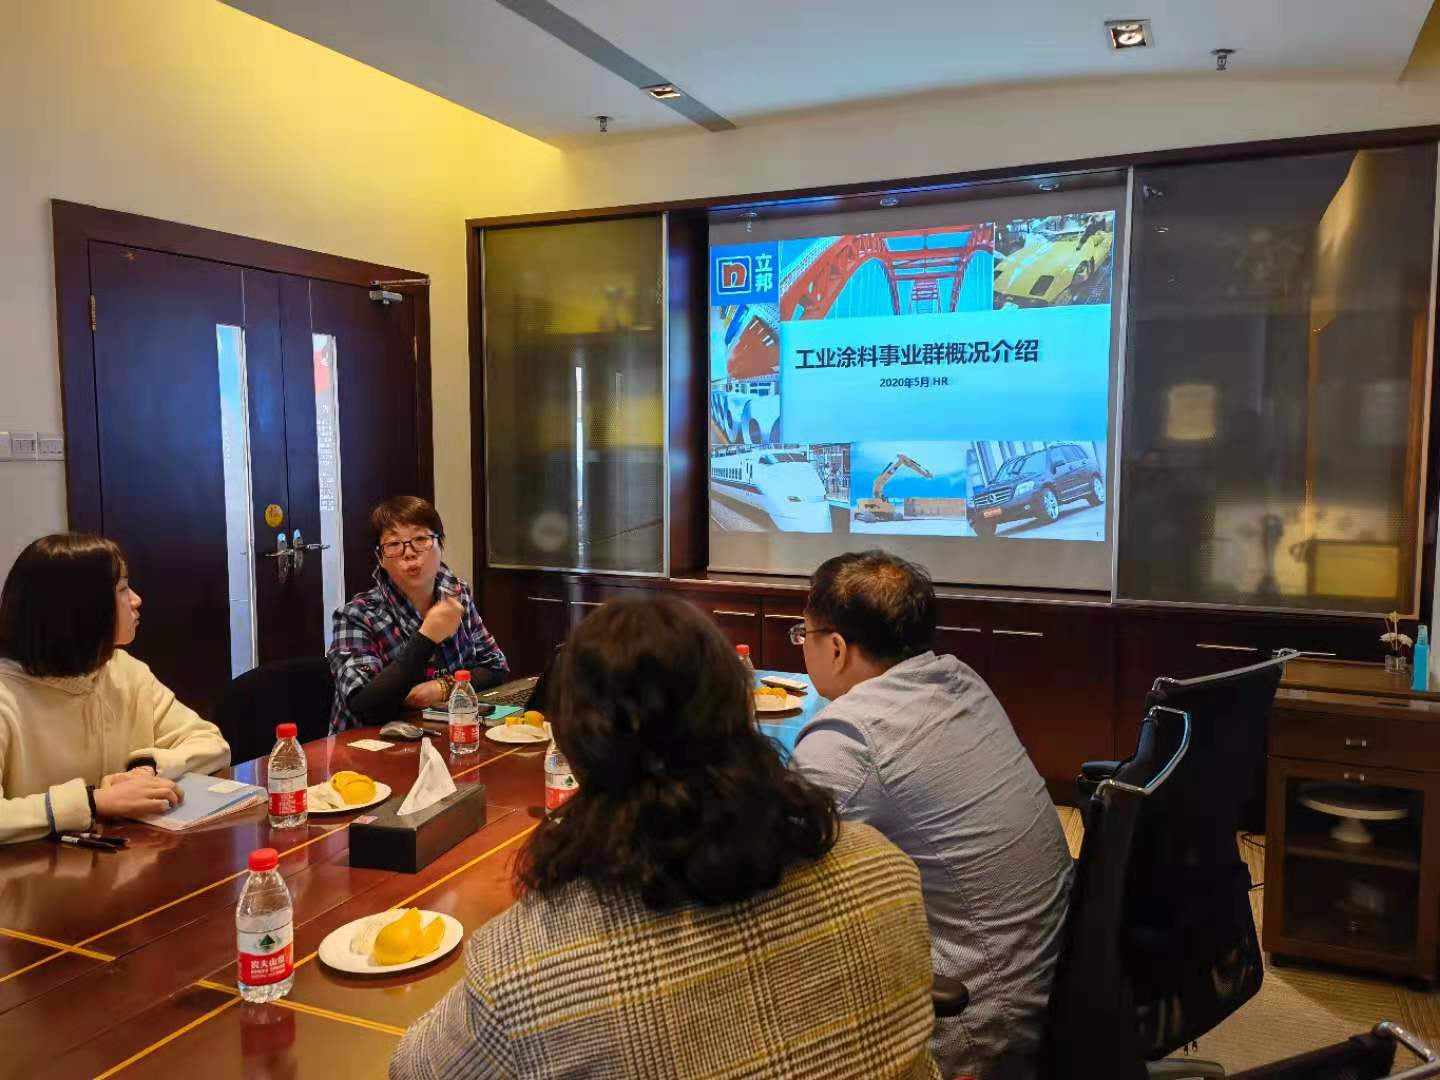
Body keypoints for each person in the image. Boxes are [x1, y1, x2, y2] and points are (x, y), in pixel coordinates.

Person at [391, 596, 940, 1080]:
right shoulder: (885, 870)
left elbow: (412, 1069)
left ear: (575, 751)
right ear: (740, 713)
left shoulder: (527, 967)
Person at [790, 551, 1073, 1080]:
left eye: (802, 635)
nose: (802, 646)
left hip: (979, 1020)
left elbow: (777, 879)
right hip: (1057, 982)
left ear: (836, 648)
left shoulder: (850, 738)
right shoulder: (960, 679)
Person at [0, 534, 231, 845]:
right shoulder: (7, 696)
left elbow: (211, 743)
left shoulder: (124, 670)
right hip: (32, 869)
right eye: (123, 589)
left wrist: (145, 768)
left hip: (123, 856)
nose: (136, 600)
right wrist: (94, 802)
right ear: (83, 608)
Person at [328, 497, 507, 733]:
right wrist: (426, 638)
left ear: (441, 546)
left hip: (443, 733)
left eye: (421, 539)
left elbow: (495, 667)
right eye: (394, 544)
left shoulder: (456, 594)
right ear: (380, 558)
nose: (409, 553)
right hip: (368, 745)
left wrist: (442, 687)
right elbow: (366, 707)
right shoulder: (356, 615)